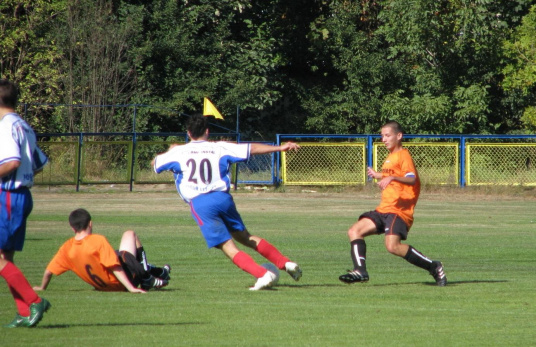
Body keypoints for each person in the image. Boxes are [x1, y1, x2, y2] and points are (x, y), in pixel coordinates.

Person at [152, 114, 302, 291]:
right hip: (223, 199)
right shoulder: (220, 147)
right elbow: (251, 148)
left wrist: (170, 150)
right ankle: (285, 263)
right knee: (245, 237)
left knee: (228, 247)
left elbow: (155, 164)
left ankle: (262, 275)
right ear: (207, 131)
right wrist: (280, 147)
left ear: (188, 133)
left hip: (201, 203)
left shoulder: (178, 152)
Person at [339, 120, 447, 286]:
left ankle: (434, 266)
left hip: (399, 211)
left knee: (393, 246)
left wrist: (391, 177)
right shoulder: (390, 158)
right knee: (354, 231)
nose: (384, 139)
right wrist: (379, 175)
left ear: (399, 136)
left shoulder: (404, 155)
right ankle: (360, 271)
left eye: (387, 135)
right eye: (382, 136)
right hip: (383, 210)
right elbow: (392, 174)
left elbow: (411, 179)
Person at [0, 79, 51, 328]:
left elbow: (12, 162)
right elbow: (39, 163)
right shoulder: (24, 125)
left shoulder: (5, 125)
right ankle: (24, 311)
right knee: (5, 258)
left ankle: (34, 300)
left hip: (8, 196)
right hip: (21, 196)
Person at [34, 208, 171, 293]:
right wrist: (131, 288)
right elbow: (115, 267)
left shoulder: (66, 248)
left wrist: (42, 287)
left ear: (72, 228)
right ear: (90, 223)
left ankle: (160, 272)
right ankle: (146, 276)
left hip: (103, 287)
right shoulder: (98, 240)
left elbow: (48, 271)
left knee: (118, 253)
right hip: (122, 283)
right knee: (129, 235)